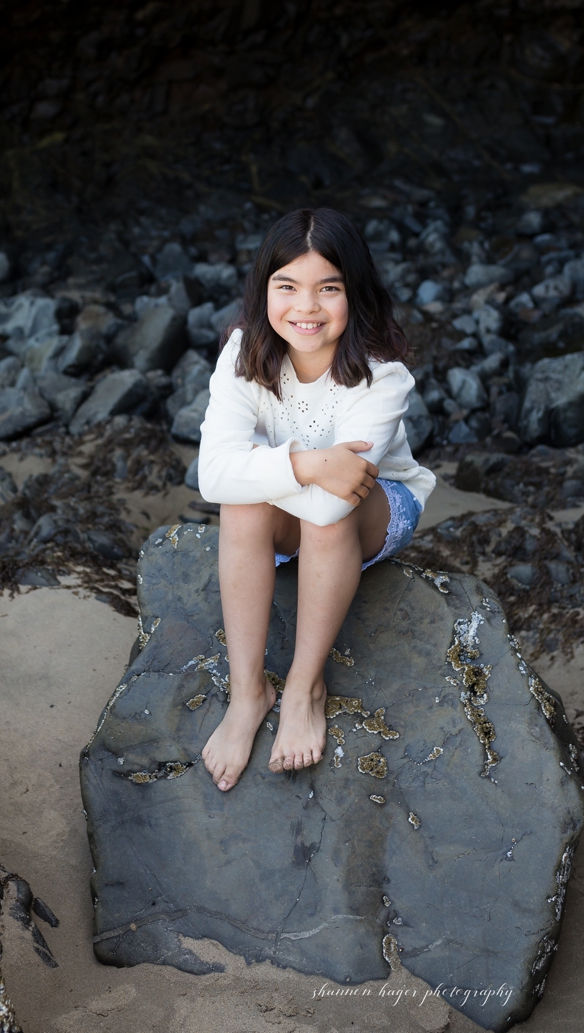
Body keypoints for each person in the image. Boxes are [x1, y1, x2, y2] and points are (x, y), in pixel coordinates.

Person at [196, 207, 434, 793]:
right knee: (241, 506)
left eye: (328, 288)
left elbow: (332, 506)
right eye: (287, 287)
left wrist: (258, 470)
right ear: (264, 291)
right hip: (294, 498)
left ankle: (304, 688)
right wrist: (309, 462)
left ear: (355, 293)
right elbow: (211, 478)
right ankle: (249, 692)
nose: (306, 307)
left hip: (376, 508)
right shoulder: (243, 353)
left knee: (322, 519)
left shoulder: (381, 375)